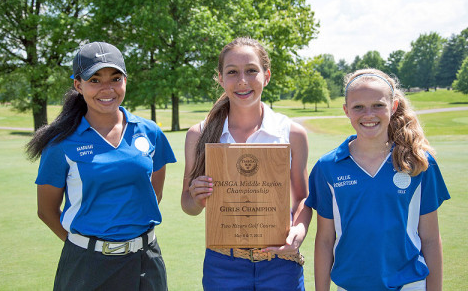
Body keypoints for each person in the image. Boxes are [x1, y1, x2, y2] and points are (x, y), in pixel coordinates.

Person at [26, 42, 176, 291]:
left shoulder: (150, 132)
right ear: (78, 85)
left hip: (146, 263)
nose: (107, 89)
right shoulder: (61, 143)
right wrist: (85, 246)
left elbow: (153, 195)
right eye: (95, 80)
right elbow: (46, 210)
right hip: (86, 266)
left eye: (115, 78)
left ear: (125, 80)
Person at [181, 37, 312, 290]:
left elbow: (302, 199)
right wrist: (196, 197)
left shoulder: (293, 133)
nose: (242, 80)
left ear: (267, 75)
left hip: (281, 262)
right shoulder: (199, 134)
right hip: (223, 264)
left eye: (251, 70)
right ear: (220, 78)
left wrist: (300, 230)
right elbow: (188, 205)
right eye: (232, 72)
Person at [306, 68, 451, 291]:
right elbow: (325, 241)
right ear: (346, 110)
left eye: (378, 105)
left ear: (393, 107)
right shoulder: (327, 167)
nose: (368, 114)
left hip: (409, 284)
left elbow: (431, 238)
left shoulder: (419, 163)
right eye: (358, 107)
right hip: (349, 286)